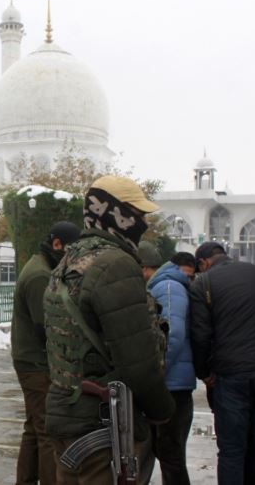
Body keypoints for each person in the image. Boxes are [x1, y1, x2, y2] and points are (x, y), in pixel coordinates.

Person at [44, 176, 174, 484]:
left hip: (66, 410)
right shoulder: (115, 264)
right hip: (100, 420)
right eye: (137, 213)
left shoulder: (69, 260)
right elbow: (139, 362)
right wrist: (162, 410)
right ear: (116, 214)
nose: (143, 222)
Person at [189, 241, 255, 485]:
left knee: (232, 452)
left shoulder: (204, 283)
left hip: (232, 374)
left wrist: (204, 372)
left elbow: (200, 335)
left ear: (204, 263)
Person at [11, 221, 81, 485]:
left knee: (33, 428)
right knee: (47, 431)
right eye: (71, 251)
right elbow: (47, 328)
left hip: (31, 361)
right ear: (57, 245)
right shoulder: (41, 275)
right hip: (36, 364)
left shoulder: (42, 267)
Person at [148, 251, 196, 485]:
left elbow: (172, 334)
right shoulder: (167, 285)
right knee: (168, 452)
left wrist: (158, 371)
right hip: (173, 382)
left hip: (171, 384)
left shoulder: (167, 287)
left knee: (170, 454)